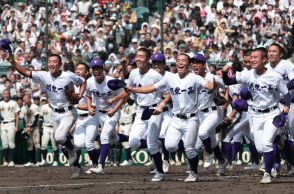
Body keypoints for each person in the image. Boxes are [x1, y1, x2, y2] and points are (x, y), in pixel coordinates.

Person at [127, 53, 215, 182]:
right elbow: (152, 87)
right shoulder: (170, 79)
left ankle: (194, 173)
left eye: (183, 60)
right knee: (170, 146)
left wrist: (212, 85)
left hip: (191, 119)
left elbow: (208, 85)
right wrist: (133, 89)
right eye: (178, 60)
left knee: (189, 149)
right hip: (175, 118)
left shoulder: (194, 78)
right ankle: (184, 157)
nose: (180, 62)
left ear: (189, 64)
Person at [10, 53, 86, 178]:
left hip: (68, 111)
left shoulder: (68, 76)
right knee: (61, 145)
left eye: (54, 61)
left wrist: (80, 95)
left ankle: (72, 148)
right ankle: (76, 167)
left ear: (60, 64)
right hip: (55, 113)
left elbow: (83, 82)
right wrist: (13, 62)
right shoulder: (44, 75)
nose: (51, 64)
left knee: (59, 137)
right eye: (50, 61)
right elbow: (26, 73)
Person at [223, 47, 290, 184]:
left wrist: (287, 106)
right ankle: (278, 140)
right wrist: (224, 73)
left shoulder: (274, 76)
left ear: (264, 59)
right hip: (254, 115)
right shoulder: (247, 74)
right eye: (251, 57)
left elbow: (286, 94)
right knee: (260, 147)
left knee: (266, 143)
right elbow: (229, 81)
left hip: (272, 113)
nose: (252, 60)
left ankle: (267, 173)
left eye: (255, 57)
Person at [109, 48, 171, 182]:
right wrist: (114, 101)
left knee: (151, 144)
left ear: (148, 59)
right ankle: (159, 144)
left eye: (142, 56)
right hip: (140, 111)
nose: (138, 59)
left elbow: (168, 94)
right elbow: (128, 90)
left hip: (154, 110)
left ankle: (160, 172)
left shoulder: (155, 75)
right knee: (134, 143)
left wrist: (162, 104)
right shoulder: (133, 73)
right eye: (137, 56)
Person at [82, 58, 127, 175]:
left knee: (104, 136)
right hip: (98, 113)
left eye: (98, 68)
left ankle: (100, 166)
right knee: (114, 138)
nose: (96, 71)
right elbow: (87, 95)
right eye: (94, 69)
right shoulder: (90, 81)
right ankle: (128, 138)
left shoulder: (111, 81)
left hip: (113, 112)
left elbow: (124, 95)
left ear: (103, 69)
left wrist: (115, 108)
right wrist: (89, 106)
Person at [191, 54, 228, 176]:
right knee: (212, 141)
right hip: (200, 114)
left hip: (214, 112)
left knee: (202, 133)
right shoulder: (191, 78)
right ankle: (222, 161)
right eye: (193, 63)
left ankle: (209, 153)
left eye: (198, 63)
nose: (195, 65)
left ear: (204, 65)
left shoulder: (213, 78)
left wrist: (225, 98)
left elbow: (226, 86)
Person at [0, 89, 20, 167]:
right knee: (4, 144)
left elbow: (17, 115)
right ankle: (6, 161)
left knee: (11, 143)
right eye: (5, 94)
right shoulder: (0, 103)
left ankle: (11, 160)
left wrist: (16, 126)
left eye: (8, 93)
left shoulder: (14, 103)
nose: (6, 95)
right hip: (2, 124)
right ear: (2, 95)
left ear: (9, 94)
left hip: (11, 123)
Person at [21, 94, 41, 167]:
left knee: (37, 143)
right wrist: (24, 128)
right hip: (28, 127)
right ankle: (30, 161)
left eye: (25, 99)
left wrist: (30, 127)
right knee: (29, 144)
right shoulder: (24, 108)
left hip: (35, 127)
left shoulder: (34, 107)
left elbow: (37, 118)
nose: (24, 101)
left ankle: (38, 161)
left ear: (29, 99)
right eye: (23, 100)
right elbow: (23, 118)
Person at [39, 97, 59, 167]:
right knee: (44, 144)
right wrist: (40, 128)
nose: (50, 101)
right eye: (49, 99)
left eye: (52, 99)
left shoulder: (57, 107)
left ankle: (56, 161)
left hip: (54, 127)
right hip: (46, 127)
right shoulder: (43, 107)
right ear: (48, 100)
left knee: (54, 145)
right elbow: (40, 118)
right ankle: (43, 160)